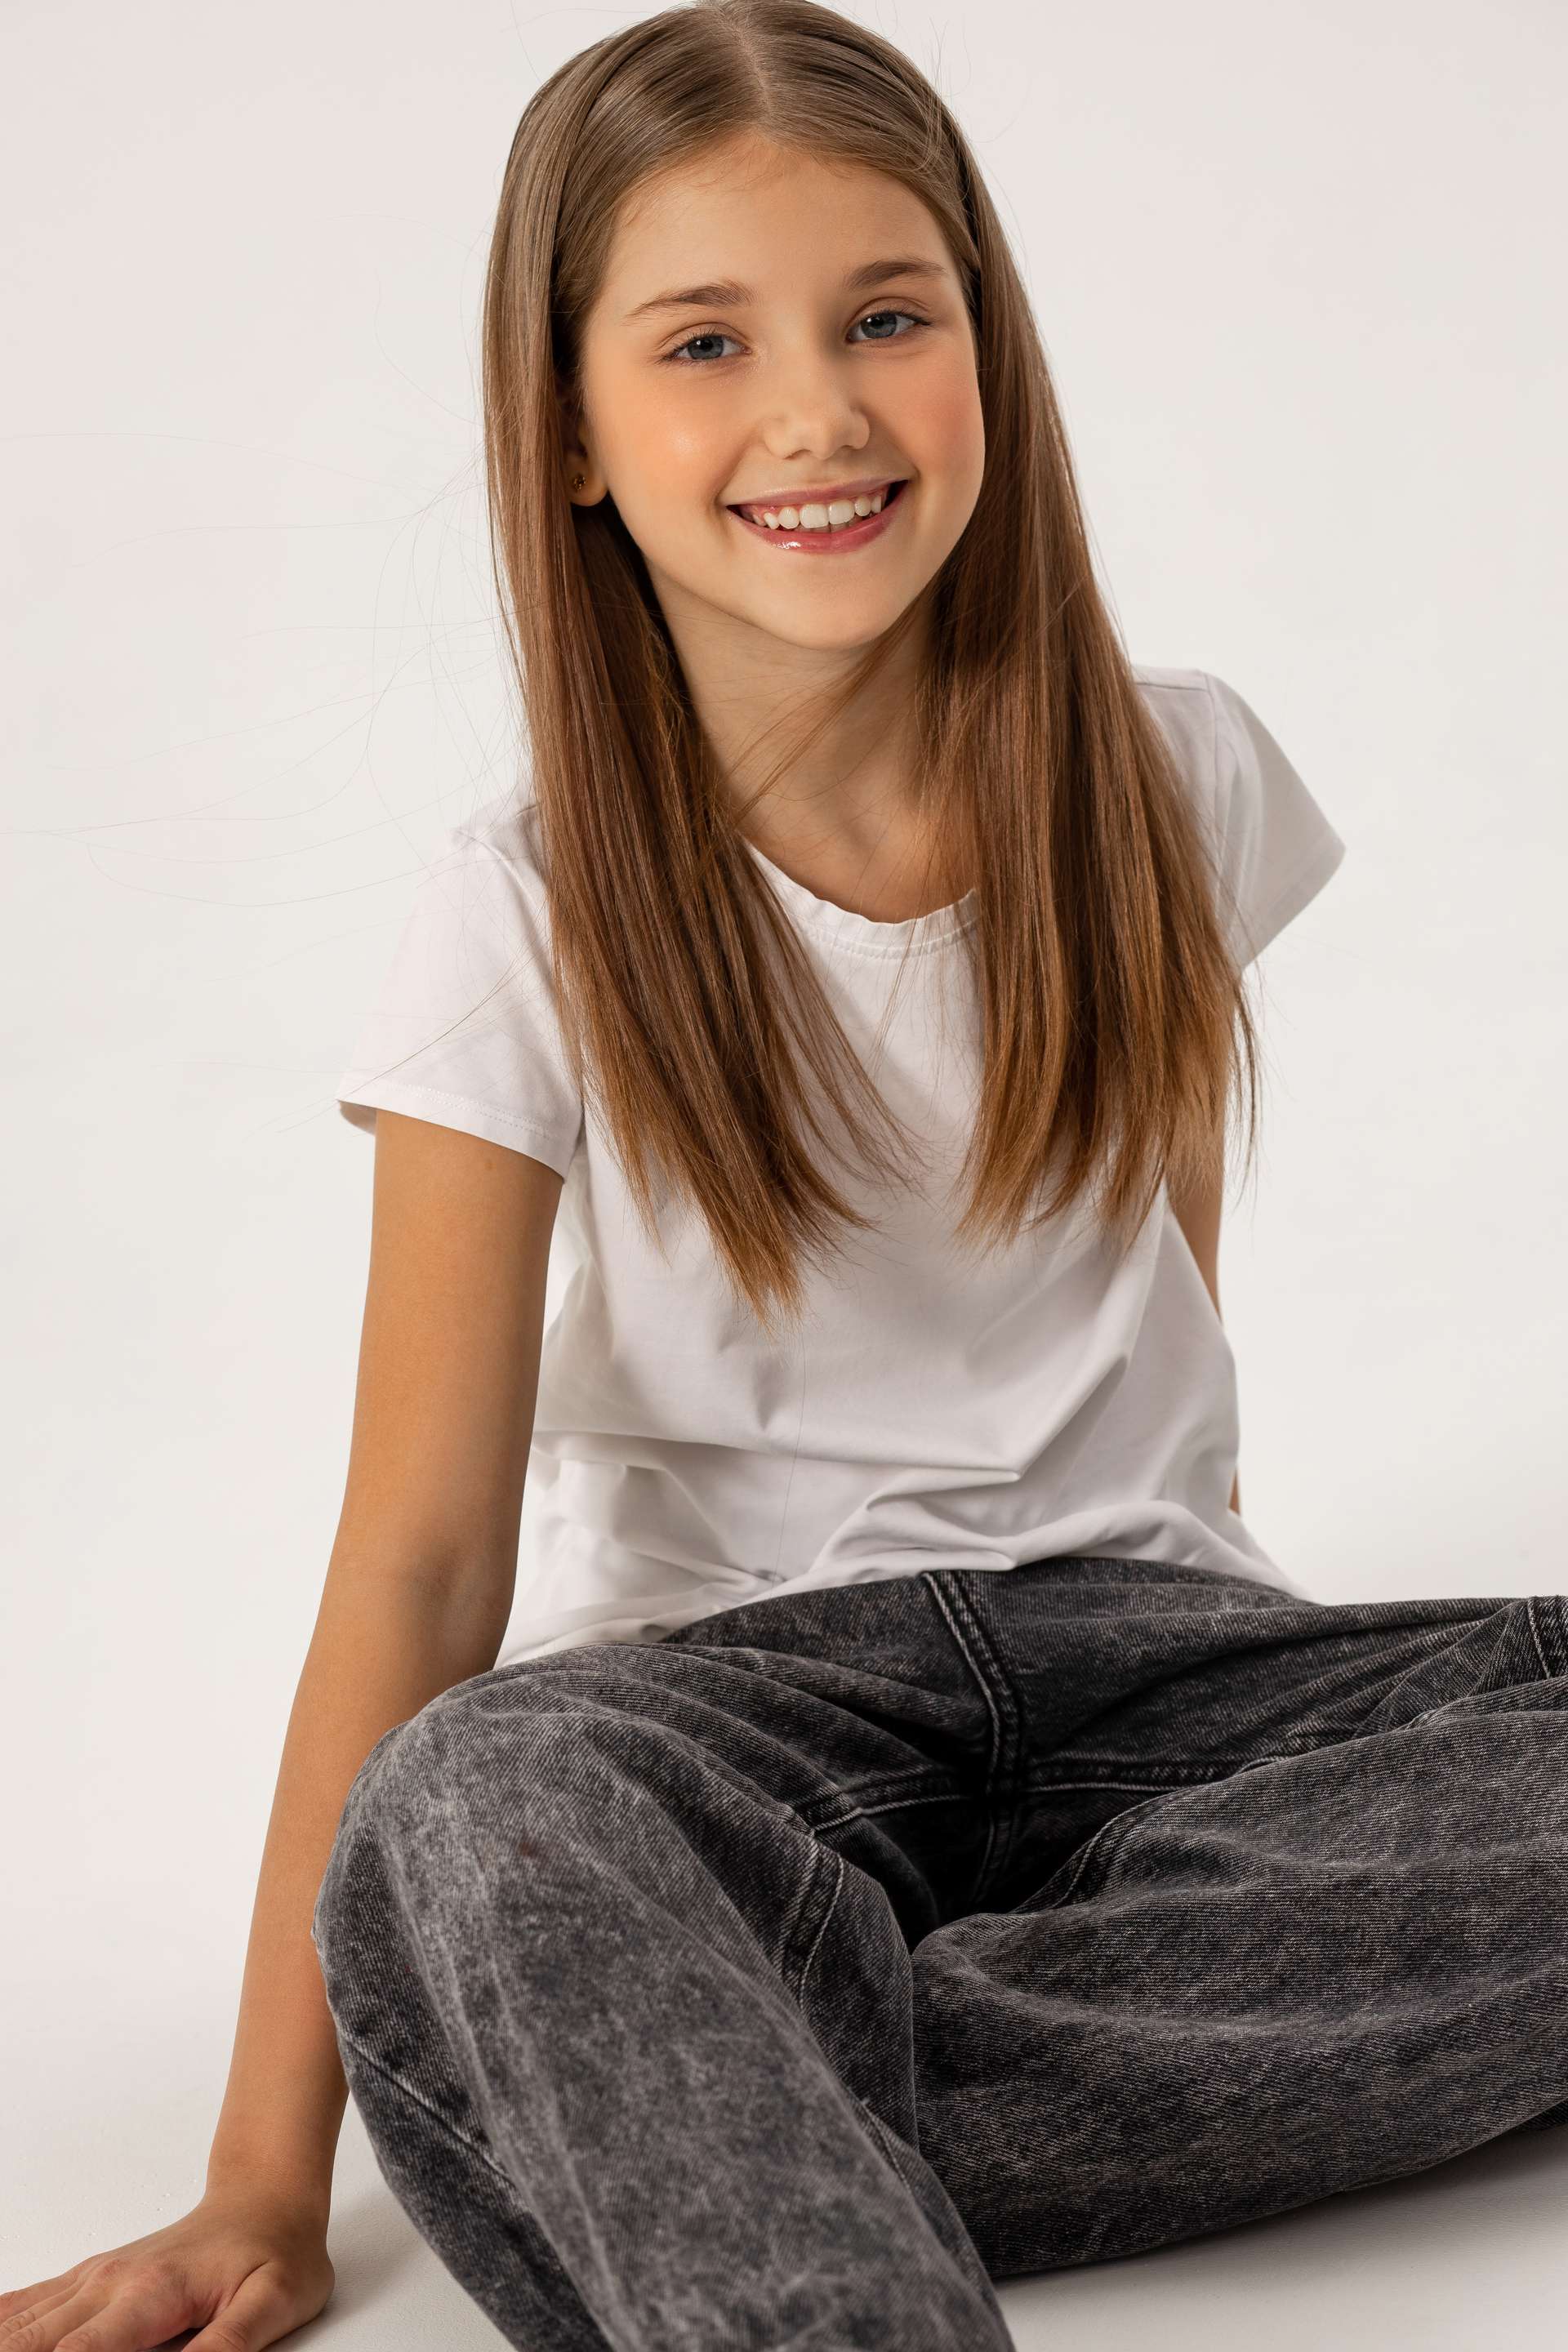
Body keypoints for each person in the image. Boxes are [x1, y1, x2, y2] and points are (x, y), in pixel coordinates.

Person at [11, 2, 1567, 2346]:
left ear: (987, 350)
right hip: (718, 1723)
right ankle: (762, 2142)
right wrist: (256, 2188)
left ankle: (675, 2084)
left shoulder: (1177, 783)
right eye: (706, 342)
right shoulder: (525, 911)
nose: (819, 410)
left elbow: (1161, 1277)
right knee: (480, 1812)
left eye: (886, 319)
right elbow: (421, 1556)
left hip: (1155, 1677)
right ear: (568, 432)